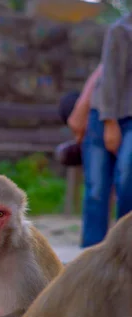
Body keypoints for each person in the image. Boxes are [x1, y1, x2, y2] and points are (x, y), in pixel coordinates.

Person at [77, 13, 132, 248]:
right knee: (97, 190)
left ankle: (124, 251)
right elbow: (109, 78)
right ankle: (90, 254)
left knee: (127, 180)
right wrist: (110, 122)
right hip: (106, 115)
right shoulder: (121, 30)